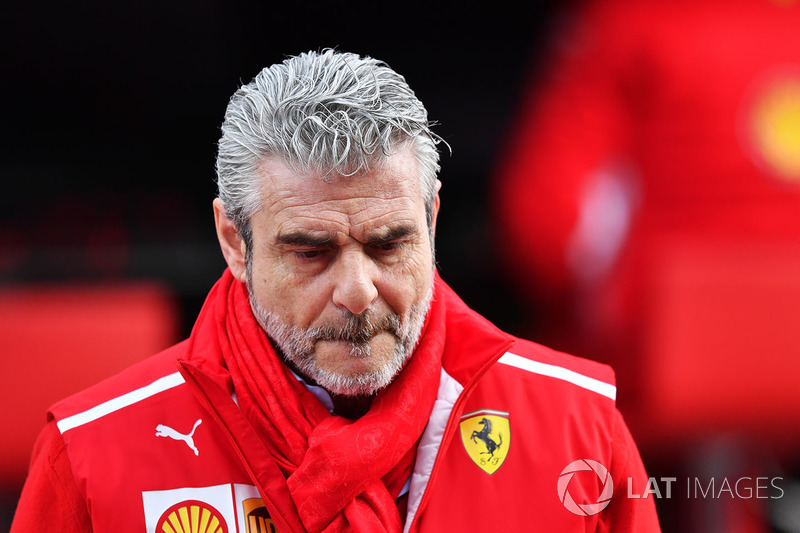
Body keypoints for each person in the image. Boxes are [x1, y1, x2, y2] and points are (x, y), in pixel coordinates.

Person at [12, 50, 659, 532]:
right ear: (234, 242)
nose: (356, 289)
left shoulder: (581, 429)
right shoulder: (92, 456)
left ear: (431, 222)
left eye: (388, 244)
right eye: (312, 251)